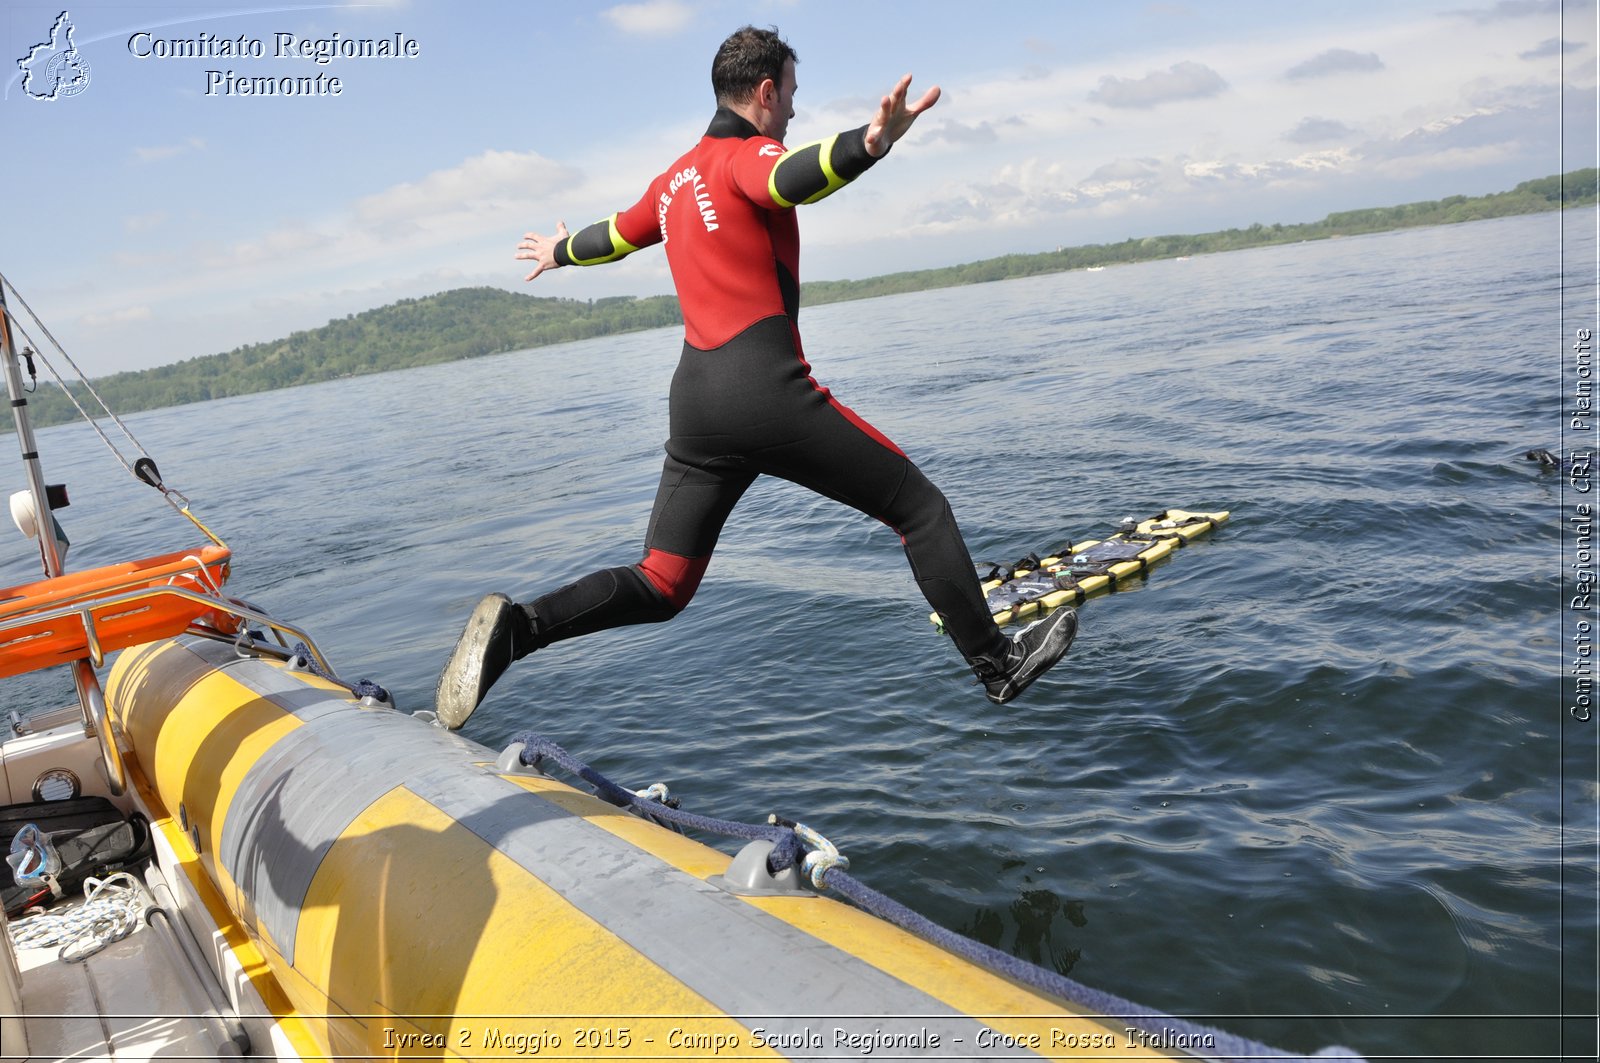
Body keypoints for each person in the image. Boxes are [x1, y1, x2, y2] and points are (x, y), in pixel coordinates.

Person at [434, 26, 1075, 729]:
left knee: (662, 579)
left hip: (695, 406)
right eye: (792, 95)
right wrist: (867, 145)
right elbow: (785, 176)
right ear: (765, 92)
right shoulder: (747, 155)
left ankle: (518, 629)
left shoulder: (674, 179)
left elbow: (614, 234)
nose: (795, 110)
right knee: (919, 510)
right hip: (765, 392)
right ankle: (997, 666)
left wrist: (559, 249)